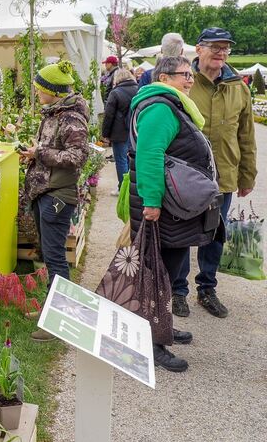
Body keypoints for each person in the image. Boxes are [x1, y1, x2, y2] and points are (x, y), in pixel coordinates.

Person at [128, 55, 223, 372]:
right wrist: (152, 202)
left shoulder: (170, 104)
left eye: (191, 75)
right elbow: (150, 155)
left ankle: (161, 328)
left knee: (168, 269)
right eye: (185, 75)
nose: (190, 80)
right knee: (159, 275)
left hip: (171, 207)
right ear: (164, 77)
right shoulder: (159, 107)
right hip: (163, 207)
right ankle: (152, 344)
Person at [171, 28, 257, 319]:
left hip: (224, 175)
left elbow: (246, 135)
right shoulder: (183, 82)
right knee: (181, 234)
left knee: (215, 235)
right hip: (185, 177)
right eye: (215, 47)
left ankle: (207, 289)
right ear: (198, 49)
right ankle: (177, 290)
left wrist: (248, 175)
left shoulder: (238, 86)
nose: (221, 53)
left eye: (226, 48)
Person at [19, 61, 89, 341]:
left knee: (56, 258)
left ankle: (60, 321)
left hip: (58, 195)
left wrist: (41, 153)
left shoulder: (71, 118)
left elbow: (77, 158)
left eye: (39, 89)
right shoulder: (55, 113)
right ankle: (52, 307)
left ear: (53, 91)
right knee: (50, 256)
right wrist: (34, 154)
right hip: (45, 191)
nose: (37, 93)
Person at [101, 68, 138, 193]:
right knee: (132, 159)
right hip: (135, 130)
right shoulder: (139, 90)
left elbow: (109, 115)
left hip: (119, 131)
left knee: (121, 160)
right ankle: (133, 188)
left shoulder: (115, 92)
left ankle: (123, 189)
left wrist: (105, 134)